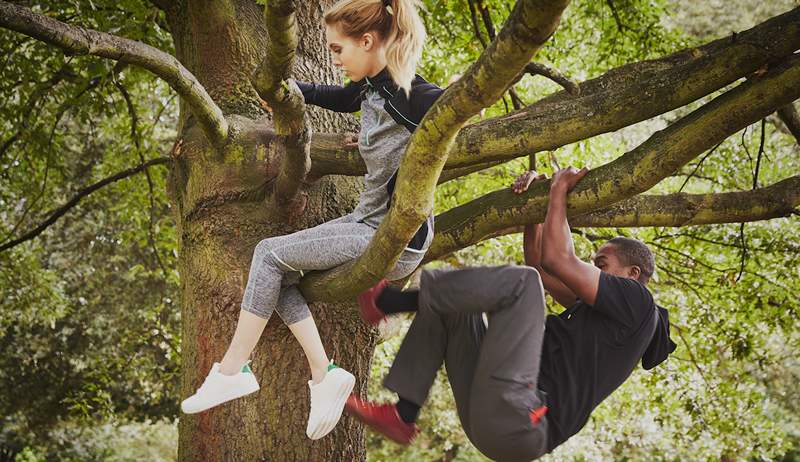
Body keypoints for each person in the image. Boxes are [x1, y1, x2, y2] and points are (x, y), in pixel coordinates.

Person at [181, 0, 442, 441]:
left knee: (267, 254)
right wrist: (290, 91)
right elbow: (341, 96)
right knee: (276, 275)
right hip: (366, 222)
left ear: (368, 40)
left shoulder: (415, 96)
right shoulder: (373, 88)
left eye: (339, 50)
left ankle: (231, 369)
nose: (335, 59)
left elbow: (467, 120)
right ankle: (324, 374)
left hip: (396, 238)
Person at [347, 167, 677, 461]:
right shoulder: (598, 313)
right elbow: (538, 260)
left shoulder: (639, 303)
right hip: (497, 422)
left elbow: (555, 261)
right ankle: (403, 414)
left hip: (525, 419)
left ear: (634, 274)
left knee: (525, 283)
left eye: (601, 264)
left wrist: (558, 189)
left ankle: (388, 302)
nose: (593, 269)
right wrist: (534, 206)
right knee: (457, 306)